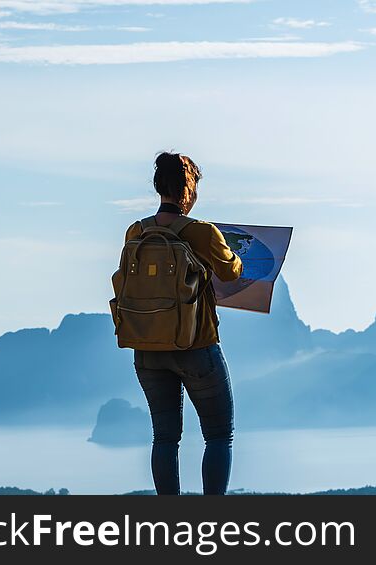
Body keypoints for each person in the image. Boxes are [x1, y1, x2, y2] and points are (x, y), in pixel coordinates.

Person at [124, 151, 243, 495]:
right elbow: (231, 272)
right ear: (188, 190)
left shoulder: (136, 231)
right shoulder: (203, 232)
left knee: (164, 437)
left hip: (147, 349)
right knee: (219, 435)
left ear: (159, 186)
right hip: (196, 344)